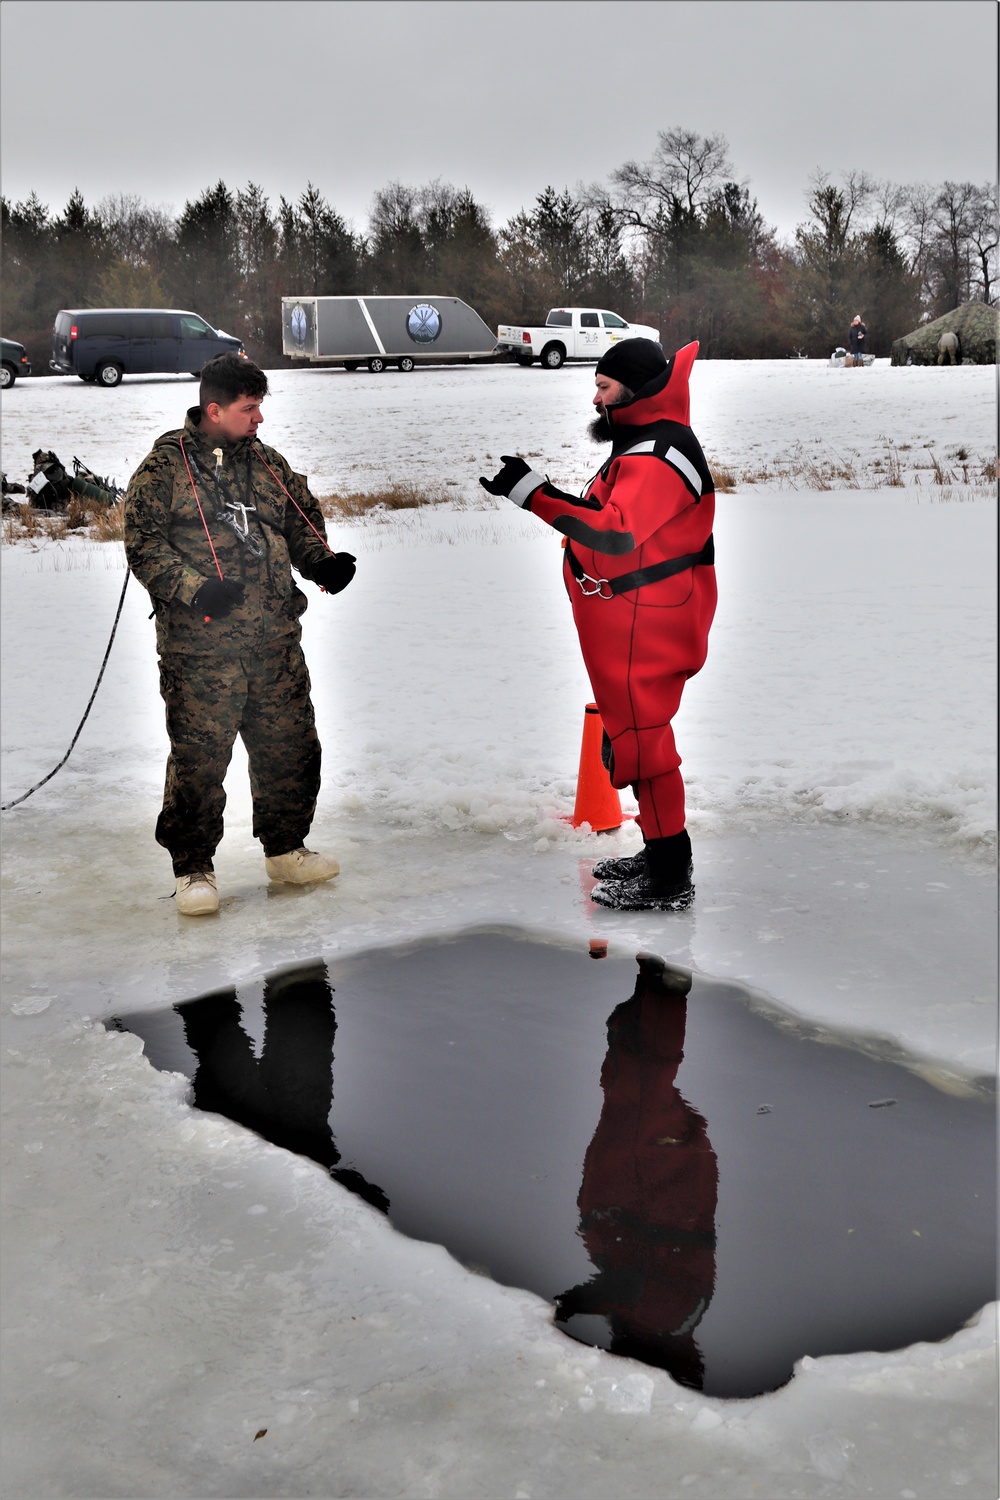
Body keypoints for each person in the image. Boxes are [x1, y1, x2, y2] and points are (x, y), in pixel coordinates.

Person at [480, 338, 716, 911]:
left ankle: (669, 874)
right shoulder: (644, 439)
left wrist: (537, 497)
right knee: (634, 738)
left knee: (644, 743)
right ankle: (661, 850)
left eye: (604, 388)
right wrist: (545, 494)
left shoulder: (661, 450)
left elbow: (614, 532)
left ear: (634, 392)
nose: (596, 398)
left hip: (650, 621)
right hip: (634, 617)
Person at [124, 354, 356, 916]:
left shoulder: (268, 463)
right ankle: (193, 869)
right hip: (201, 652)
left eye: (260, 408)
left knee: (291, 749)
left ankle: (285, 849)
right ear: (214, 410)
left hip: (275, 641)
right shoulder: (164, 471)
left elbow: (302, 522)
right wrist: (195, 587)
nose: (258, 420)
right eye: (249, 409)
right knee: (200, 759)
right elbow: (143, 545)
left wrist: (322, 563)